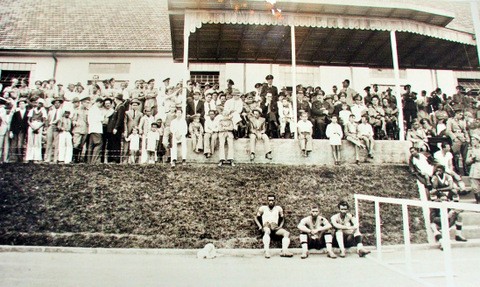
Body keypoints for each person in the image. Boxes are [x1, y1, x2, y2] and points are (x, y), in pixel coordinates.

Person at [254, 194, 294, 258]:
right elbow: (256, 217)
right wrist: (260, 226)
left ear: (275, 200)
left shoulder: (278, 208)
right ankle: (266, 251)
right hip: (266, 225)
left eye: (272, 200)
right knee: (267, 231)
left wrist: (280, 226)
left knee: (286, 233)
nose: (271, 202)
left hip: (275, 227)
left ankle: (284, 251)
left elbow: (282, 218)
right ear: (267, 201)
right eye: (269, 200)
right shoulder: (263, 208)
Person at [25, 98, 47, 162]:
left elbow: (44, 121)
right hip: (32, 125)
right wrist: (32, 127)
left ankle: (36, 158)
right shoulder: (32, 110)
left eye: (40, 103)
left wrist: (37, 128)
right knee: (30, 142)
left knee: (37, 142)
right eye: (38, 103)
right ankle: (29, 158)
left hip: (39, 125)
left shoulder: (43, 111)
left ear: (42, 105)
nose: (39, 104)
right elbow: (28, 120)